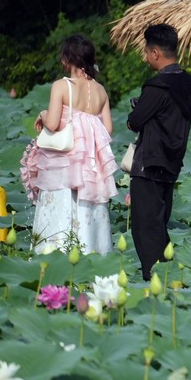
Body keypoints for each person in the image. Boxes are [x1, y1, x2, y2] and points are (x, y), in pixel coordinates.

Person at [20, 35, 118, 255]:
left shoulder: (62, 86)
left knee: (61, 208)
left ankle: (56, 262)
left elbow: (53, 124)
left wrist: (43, 114)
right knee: (87, 210)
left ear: (66, 59)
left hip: (63, 165)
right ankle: (90, 256)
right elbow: (108, 130)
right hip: (89, 167)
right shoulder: (101, 90)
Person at [127, 24, 191, 279]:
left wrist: (136, 109)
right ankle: (168, 277)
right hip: (171, 164)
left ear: (156, 52)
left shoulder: (158, 86)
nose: (146, 58)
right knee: (158, 225)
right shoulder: (188, 83)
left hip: (149, 165)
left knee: (145, 229)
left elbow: (134, 121)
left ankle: (156, 280)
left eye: (147, 52)